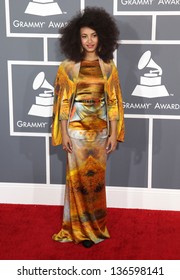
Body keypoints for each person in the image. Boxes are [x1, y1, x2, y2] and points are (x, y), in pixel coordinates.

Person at [51, 7, 125, 248]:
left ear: (102, 36)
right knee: (77, 182)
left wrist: (114, 133)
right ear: (77, 38)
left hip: (100, 134)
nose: (90, 41)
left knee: (96, 184)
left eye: (94, 35)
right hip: (76, 133)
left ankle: (96, 227)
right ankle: (78, 229)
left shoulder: (109, 67)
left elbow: (113, 102)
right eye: (84, 36)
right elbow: (63, 102)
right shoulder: (67, 67)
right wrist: (63, 132)